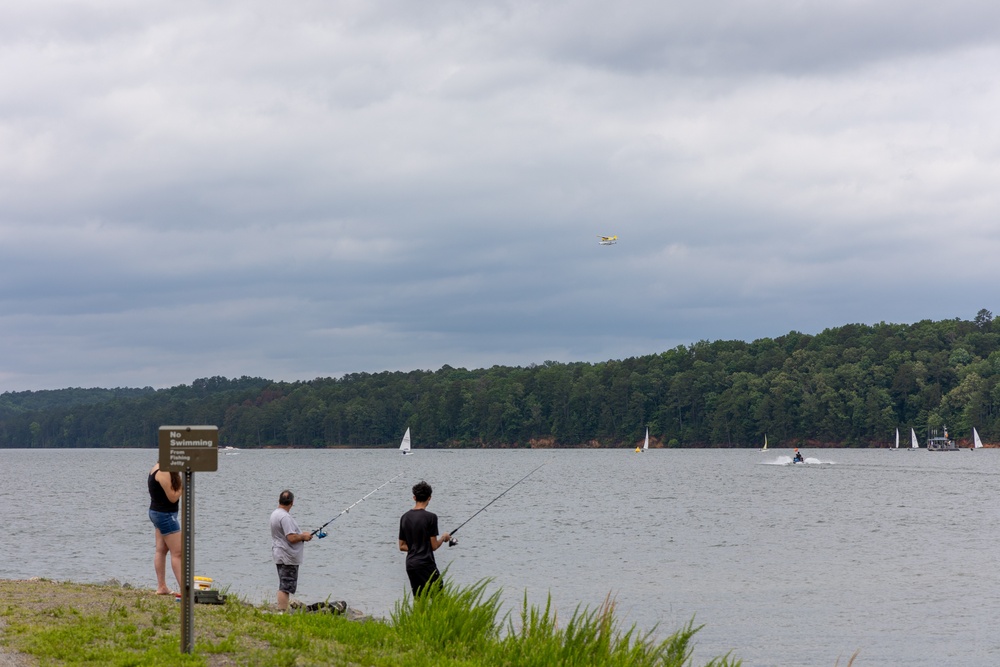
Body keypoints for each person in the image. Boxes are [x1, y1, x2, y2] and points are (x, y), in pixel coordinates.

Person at [398, 480, 451, 596]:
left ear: (414, 497)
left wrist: (415, 547)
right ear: (429, 498)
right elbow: (434, 546)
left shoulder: (404, 517)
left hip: (411, 564)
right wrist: (444, 537)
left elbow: (401, 546)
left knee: (420, 600)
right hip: (426, 564)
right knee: (439, 598)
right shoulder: (431, 517)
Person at [270, 490, 313, 611]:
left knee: (283, 584)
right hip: (287, 556)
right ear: (292, 503)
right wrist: (304, 536)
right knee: (285, 587)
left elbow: (288, 535)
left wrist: (301, 535)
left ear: (279, 500)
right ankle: (282, 612)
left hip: (280, 554)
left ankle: (281, 611)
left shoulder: (275, 514)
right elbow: (291, 537)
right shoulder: (285, 517)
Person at [147, 462, 183, 595]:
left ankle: (162, 587)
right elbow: (173, 498)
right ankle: (185, 590)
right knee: (178, 553)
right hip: (164, 515)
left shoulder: (161, 468)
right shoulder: (163, 471)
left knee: (161, 550)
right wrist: (184, 485)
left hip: (158, 513)